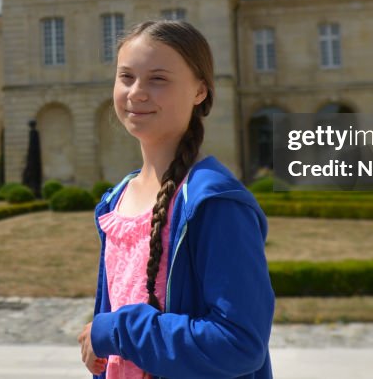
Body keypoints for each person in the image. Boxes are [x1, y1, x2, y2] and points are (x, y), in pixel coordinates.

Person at [78, 19, 275, 378]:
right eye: (126, 77)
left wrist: (116, 330)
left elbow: (239, 344)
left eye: (158, 79)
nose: (137, 92)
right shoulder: (116, 201)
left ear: (200, 90)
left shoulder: (215, 203)